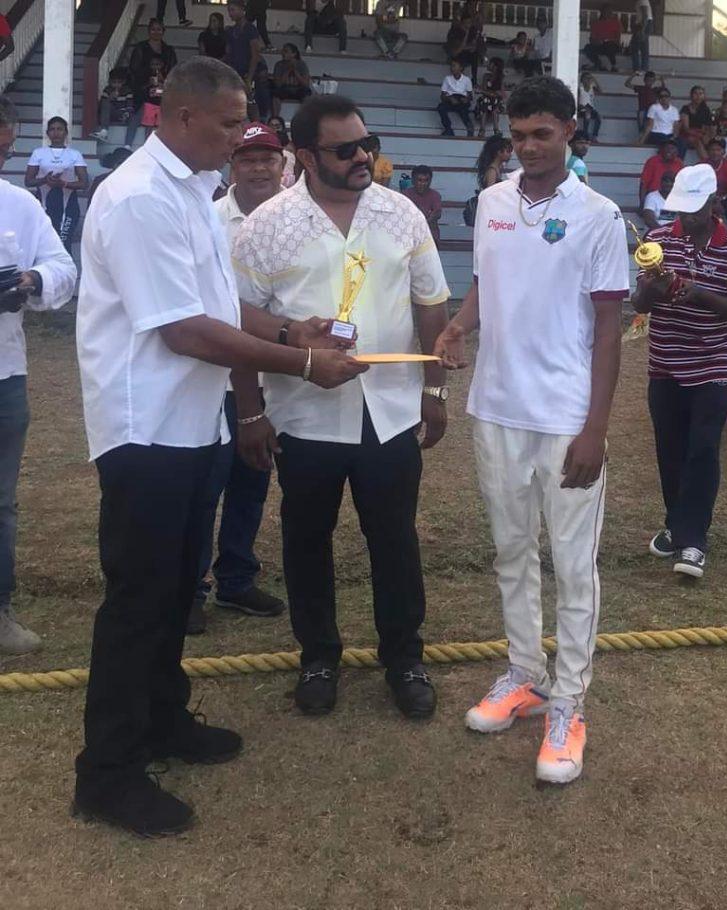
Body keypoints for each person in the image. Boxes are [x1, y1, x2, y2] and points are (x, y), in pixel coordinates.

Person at [73, 56, 367, 838]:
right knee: (138, 600)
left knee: (175, 590)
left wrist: (283, 328)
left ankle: (164, 719)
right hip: (147, 431)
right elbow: (184, 330)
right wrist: (305, 364)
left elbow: (216, 303)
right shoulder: (137, 198)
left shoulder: (192, 195)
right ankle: (107, 771)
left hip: (192, 425)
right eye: (232, 123)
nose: (243, 139)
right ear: (181, 119)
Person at [434, 76, 629, 786]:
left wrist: (595, 429)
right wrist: (459, 322)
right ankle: (524, 672)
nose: (529, 148)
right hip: (497, 410)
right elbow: (490, 283)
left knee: (574, 567)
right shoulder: (491, 203)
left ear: (571, 131)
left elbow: (610, 329)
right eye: (518, 137)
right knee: (512, 553)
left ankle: (569, 703)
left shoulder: (601, 216)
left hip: (566, 418)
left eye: (542, 134)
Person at [232, 93, 451, 720]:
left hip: (389, 410)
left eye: (367, 143)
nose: (363, 156)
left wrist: (434, 389)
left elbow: (431, 302)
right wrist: (250, 411)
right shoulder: (266, 226)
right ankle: (318, 656)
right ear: (304, 156)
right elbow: (239, 321)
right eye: (345, 148)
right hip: (303, 414)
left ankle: (404, 657)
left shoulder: (401, 214)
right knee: (307, 540)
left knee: (394, 540)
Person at [188, 122, 289, 635]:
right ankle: (191, 588)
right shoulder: (210, 219)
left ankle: (236, 578)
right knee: (205, 486)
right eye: (247, 159)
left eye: (267, 159)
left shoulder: (295, 219)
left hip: (278, 378)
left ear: (283, 164)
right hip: (217, 381)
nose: (257, 168)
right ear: (232, 167)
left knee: (252, 482)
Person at [633, 164, 727, 577]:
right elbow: (640, 305)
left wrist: (698, 293)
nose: (685, 218)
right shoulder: (657, 241)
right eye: (680, 210)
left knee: (702, 450)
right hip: (666, 363)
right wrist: (652, 288)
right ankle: (676, 524)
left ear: (714, 202)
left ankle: (693, 542)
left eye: (694, 209)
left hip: (715, 364)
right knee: (670, 450)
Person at [0, 98, 78, 656]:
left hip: (4, 374)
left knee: (1, 501)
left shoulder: (20, 205)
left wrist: (30, 280)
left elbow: (64, 269)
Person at [24, 117, 89, 250]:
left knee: (63, 245)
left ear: (66, 133)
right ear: (47, 133)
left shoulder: (74, 154)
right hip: (43, 207)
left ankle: (67, 271)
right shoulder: (38, 153)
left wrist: (63, 183)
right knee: (43, 246)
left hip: (68, 206)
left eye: (60, 129)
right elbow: (28, 181)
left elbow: (84, 183)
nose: (56, 133)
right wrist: (44, 180)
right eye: (52, 129)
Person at [125, 19, 178, 147]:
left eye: (159, 29)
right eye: (153, 29)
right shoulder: (141, 47)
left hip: (162, 87)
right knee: (139, 111)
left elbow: (173, 70)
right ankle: (128, 144)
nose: (156, 32)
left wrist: (163, 81)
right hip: (143, 87)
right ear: (148, 31)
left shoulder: (168, 50)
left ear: (163, 31)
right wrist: (147, 81)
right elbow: (134, 69)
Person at [225, 0, 270, 122]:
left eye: (233, 10)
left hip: (250, 72)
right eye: (229, 10)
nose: (230, 13)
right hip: (236, 71)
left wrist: (249, 78)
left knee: (251, 103)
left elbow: (255, 55)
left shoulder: (251, 29)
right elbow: (228, 54)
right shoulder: (230, 31)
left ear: (242, 10)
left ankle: (257, 129)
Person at [90, 67, 134, 142]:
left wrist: (126, 114)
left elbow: (130, 106)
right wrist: (110, 98)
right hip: (110, 114)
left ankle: (104, 130)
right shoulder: (107, 90)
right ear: (110, 82)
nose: (116, 85)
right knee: (106, 103)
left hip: (122, 114)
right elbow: (102, 105)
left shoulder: (127, 91)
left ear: (123, 82)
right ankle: (104, 131)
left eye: (119, 82)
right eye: (114, 82)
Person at [402, 164, 443, 243]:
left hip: (429, 236)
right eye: (420, 180)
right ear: (413, 181)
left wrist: (422, 224)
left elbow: (437, 214)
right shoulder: (405, 195)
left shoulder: (435, 195)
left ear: (430, 181)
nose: (423, 184)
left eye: (426, 180)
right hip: (409, 235)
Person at [270, 43, 311, 118]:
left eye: (285, 51)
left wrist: (295, 71)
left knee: (307, 94)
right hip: (284, 89)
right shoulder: (279, 65)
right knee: (275, 93)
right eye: (283, 51)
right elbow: (278, 84)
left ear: (294, 54)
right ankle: (275, 118)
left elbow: (306, 84)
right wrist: (288, 70)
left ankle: (305, 118)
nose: (282, 53)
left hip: (299, 89)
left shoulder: (302, 65)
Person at [638, 138, 682, 205]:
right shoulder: (652, 161)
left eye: (672, 148)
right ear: (661, 149)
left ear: (677, 151)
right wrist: (642, 203)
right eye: (667, 148)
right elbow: (643, 184)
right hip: (654, 198)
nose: (669, 150)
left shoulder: (679, 163)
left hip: (673, 198)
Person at [437, 58, 474, 137]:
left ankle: (470, 129)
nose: (451, 68)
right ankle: (448, 129)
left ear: (461, 68)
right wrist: (450, 98)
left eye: (454, 66)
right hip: (451, 99)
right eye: (451, 66)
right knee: (441, 108)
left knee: (464, 111)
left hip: (462, 99)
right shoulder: (447, 79)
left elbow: (470, 96)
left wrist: (466, 99)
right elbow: (442, 95)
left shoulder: (467, 80)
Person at [640, 87, 682, 153]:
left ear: (669, 97)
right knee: (666, 142)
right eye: (661, 96)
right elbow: (649, 125)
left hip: (670, 135)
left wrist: (674, 137)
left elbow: (676, 126)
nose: (664, 98)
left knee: (682, 143)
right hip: (656, 134)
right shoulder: (654, 107)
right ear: (658, 98)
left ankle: (678, 162)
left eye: (666, 96)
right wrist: (642, 140)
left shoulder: (674, 110)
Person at [583, 5, 622, 72]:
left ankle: (613, 65)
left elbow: (618, 39)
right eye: (606, 12)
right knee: (587, 48)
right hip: (599, 45)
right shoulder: (596, 23)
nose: (608, 13)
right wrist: (596, 41)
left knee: (609, 45)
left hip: (611, 45)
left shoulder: (616, 23)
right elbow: (592, 38)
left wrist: (607, 40)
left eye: (610, 12)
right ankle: (598, 63)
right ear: (602, 12)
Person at [444, 13, 482, 84]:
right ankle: (458, 78)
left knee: (475, 55)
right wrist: (466, 34)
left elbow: (473, 45)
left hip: (467, 53)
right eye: (466, 23)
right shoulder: (456, 31)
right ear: (462, 23)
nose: (468, 24)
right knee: (461, 57)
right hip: (456, 54)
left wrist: (471, 47)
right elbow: (459, 47)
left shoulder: (472, 30)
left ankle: (474, 78)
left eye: (470, 22)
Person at [681, 85, 714, 159]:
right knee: (698, 142)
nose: (698, 96)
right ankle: (707, 163)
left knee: (710, 142)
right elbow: (686, 128)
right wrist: (700, 134)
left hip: (701, 134)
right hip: (688, 135)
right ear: (691, 95)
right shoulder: (685, 108)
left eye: (701, 94)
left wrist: (709, 136)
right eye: (696, 93)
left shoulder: (705, 109)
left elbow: (708, 126)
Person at [475, 58, 505, 137]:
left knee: (494, 101)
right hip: (486, 99)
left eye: (490, 63)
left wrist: (487, 93)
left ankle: (485, 130)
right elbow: (484, 89)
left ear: (495, 66)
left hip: (495, 101)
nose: (488, 65)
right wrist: (492, 93)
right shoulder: (486, 76)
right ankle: (494, 129)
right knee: (486, 100)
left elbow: (501, 94)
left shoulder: (501, 78)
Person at [268, 115, 298, 186]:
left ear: (282, 127)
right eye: (271, 126)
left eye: (277, 126)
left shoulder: (291, 146)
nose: (274, 129)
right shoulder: (264, 145)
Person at [140, 58, 167, 136]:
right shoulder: (146, 74)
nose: (155, 67)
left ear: (162, 65)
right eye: (153, 65)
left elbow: (170, 88)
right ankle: (147, 142)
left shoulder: (166, 74)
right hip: (150, 103)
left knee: (159, 125)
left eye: (157, 64)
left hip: (161, 104)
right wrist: (149, 83)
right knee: (148, 125)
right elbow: (141, 88)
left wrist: (162, 80)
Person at [630, 0, 653, 73]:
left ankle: (637, 69)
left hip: (643, 24)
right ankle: (644, 69)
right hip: (645, 24)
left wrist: (642, 30)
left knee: (634, 47)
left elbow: (645, 15)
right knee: (644, 48)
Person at [577, 72, 601, 141]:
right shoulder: (580, 88)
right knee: (587, 114)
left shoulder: (592, 88)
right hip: (581, 109)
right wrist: (583, 107)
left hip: (591, 109)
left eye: (589, 78)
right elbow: (577, 102)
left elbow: (600, 91)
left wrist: (595, 80)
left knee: (598, 117)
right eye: (586, 78)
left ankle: (594, 136)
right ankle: (585, 135)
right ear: (582, 80)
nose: (588, 80)